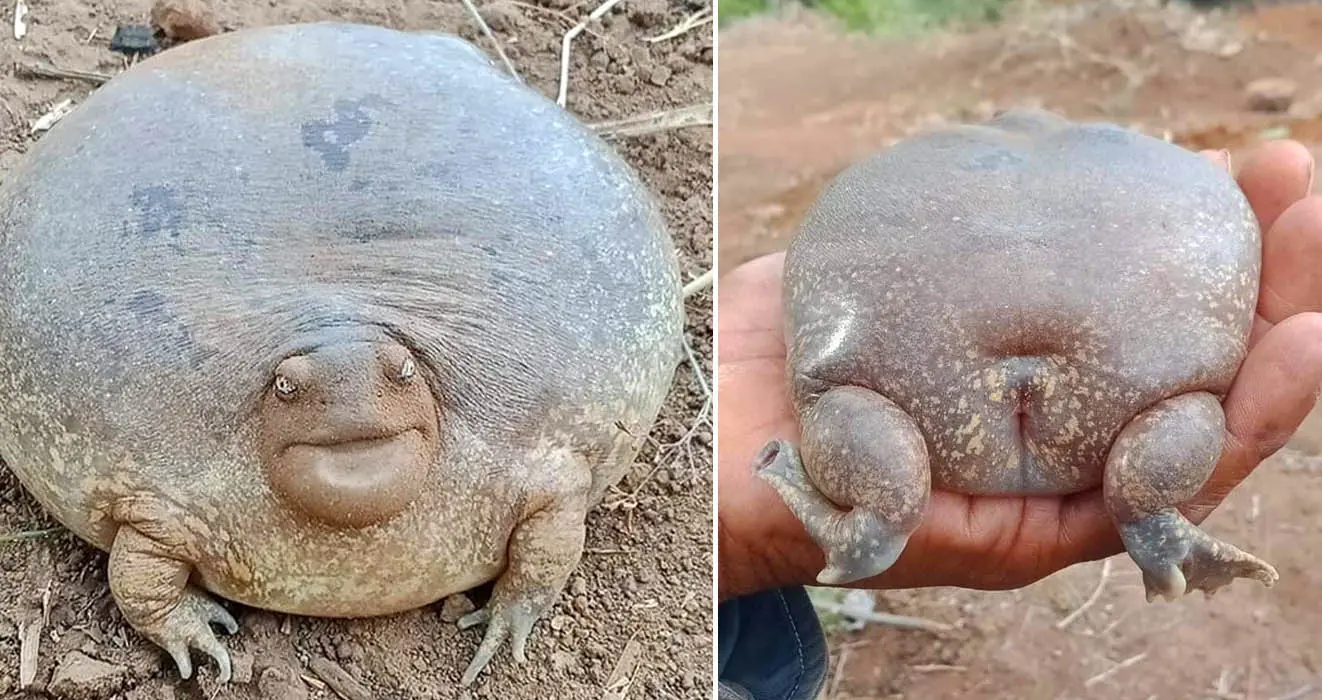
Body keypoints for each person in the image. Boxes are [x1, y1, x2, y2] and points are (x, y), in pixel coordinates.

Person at [716, 141, 1322, 700]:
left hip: (904, 407)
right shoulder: (1170, 178)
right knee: (1182, 419)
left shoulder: (894, 175)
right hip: (1135, 406)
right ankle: (1154, 515)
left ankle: (871, 524)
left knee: (872, 456)